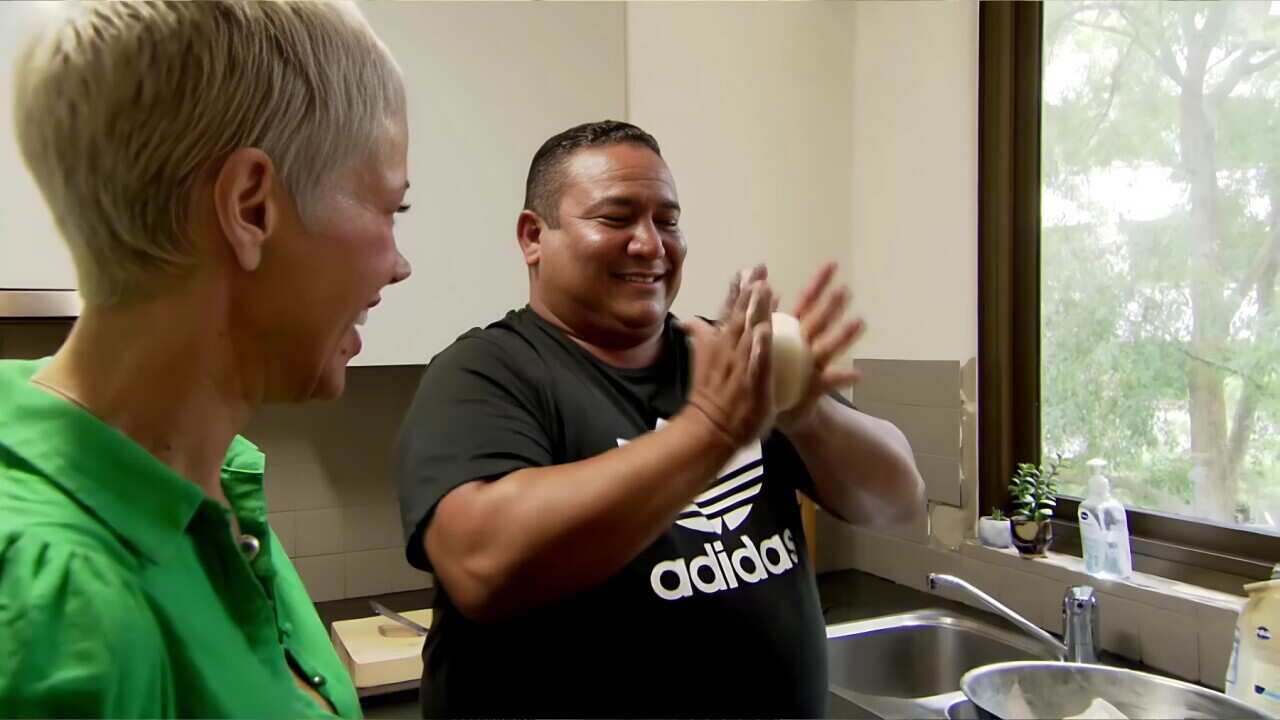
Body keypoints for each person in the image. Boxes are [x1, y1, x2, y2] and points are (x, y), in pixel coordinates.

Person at [395, 120, 925, 718]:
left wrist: (806, 415)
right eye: (616, 218)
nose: (651, 245)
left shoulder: (728, 357)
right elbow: (482, 565)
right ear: (533, 236)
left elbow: (898, 500)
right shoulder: (485, 373)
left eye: (667, 221)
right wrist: (710, 430)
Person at [0, 2, 412, 717]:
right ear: (251, 208)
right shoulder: (55, 610)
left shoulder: (208, 483)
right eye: (390, 210)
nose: (398, 265)